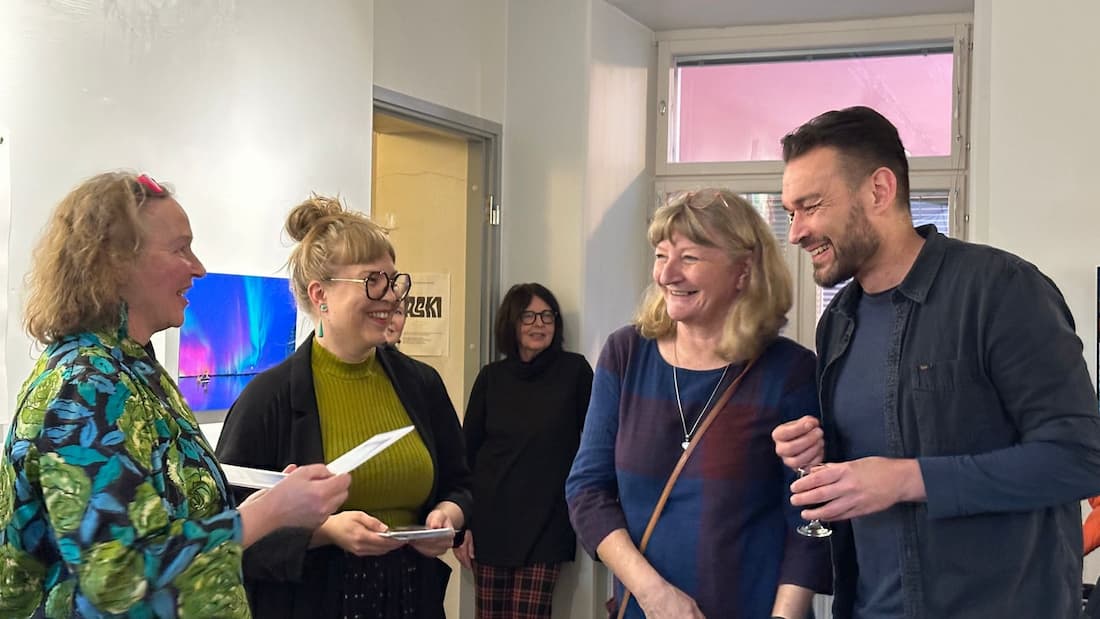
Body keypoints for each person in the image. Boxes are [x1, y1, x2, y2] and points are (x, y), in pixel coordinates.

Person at [772, 105, 1100, 618]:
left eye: (810, 206)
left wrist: (907, 479)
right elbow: (869, 467)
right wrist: (815, 453)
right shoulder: (837, 322)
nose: (795, 232)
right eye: (791, 212)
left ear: (879, 190)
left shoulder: (1001, 291)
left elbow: (1081, 456)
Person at [0, 172, 349, 618]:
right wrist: (267, 514)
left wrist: (266, 505)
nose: (198, 267)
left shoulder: (131, 368)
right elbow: (116, 578)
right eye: (180, 248)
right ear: (116, 262)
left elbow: (161, 523)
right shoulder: (87, 384)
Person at [566, 189, 831, 619]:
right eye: (660, 254)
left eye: (689, 258)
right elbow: (587, 492)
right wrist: (653, 594)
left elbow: (807, 522)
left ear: (743, 271)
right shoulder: (626, 354)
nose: (667, 273)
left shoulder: (789, 372)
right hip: (644, 609)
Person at [215, 195, 472, 619]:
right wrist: (324, 532)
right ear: (321, 295)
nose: (390, 297)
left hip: (413, 600)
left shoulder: (420, 385)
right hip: (315, 601)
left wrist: (449, 516)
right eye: (373, 281)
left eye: (394, 281)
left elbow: (461, 482)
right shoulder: (269, 399)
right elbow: (227, 532)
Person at [454, 283, 593, 618]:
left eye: (547, 316)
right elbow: (466, 456)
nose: (539, 324)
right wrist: (462, 527)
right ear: (511, 323)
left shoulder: (575, 372)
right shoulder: (491, 378)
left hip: (547, 522)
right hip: (490, 523)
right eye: (528, 316)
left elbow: (593, 444)